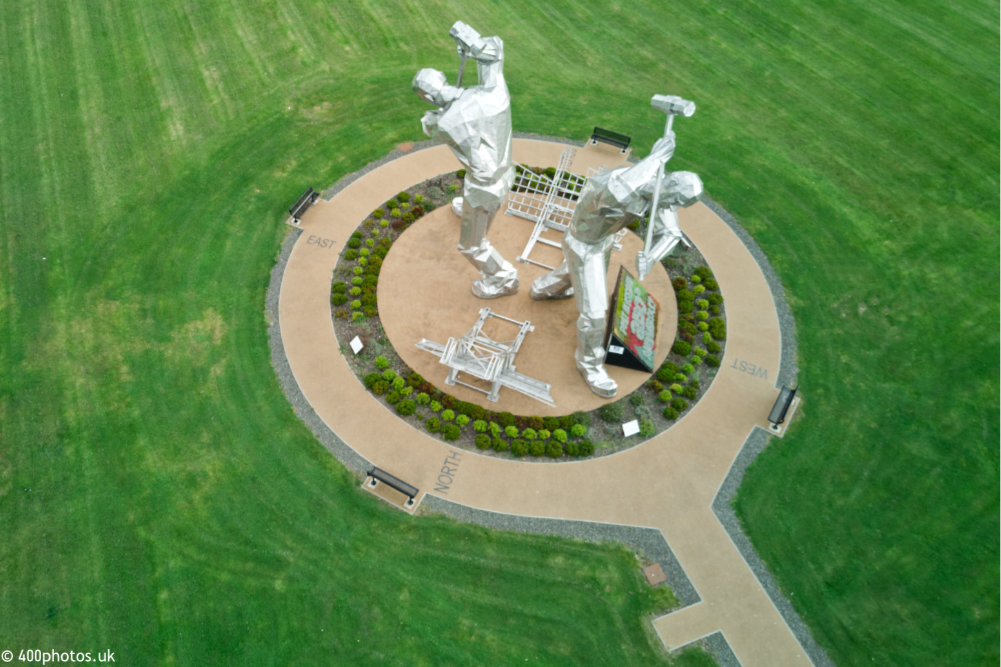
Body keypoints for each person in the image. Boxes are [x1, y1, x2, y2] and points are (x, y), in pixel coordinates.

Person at [530, 134, 703, 397]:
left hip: (602, 242)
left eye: (681, 204)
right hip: (583, 245)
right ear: (669, 183)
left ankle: (543, 288)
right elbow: (617, 191)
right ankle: (589, 364)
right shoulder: (620, 183)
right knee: (594, 313)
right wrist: (655, 158)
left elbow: (671, 231)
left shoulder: (658, 193)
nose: (674, 206)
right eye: (677, 199)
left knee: (578, 276)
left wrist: (652, 255)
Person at [412, 22, 519, 299]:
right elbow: (494, 51)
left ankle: (504, 278)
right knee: (477, 203)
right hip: (507, 174)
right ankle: (473, 214)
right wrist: (470, 42)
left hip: (484, 190)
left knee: (471, 246)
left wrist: (435, 114)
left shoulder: (445, 122)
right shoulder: (493, 93)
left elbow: (430, 125)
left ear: (427, 96)